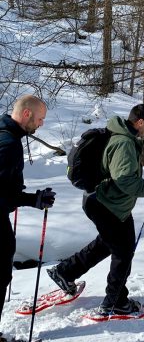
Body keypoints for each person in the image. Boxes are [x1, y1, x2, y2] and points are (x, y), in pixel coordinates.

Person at [47, 104, 144, 316]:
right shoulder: (124, 143)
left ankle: (65, 272)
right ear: (139, 122)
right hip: (105, 204)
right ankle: (116, 302)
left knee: (108, 243)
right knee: (123, 252)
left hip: (110, 204)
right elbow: (124, 180)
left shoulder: (121, 136)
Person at [0, 95, 56, 327]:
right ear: (26, 114)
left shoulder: (6, 135)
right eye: (40, 119)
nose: (41, 124)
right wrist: (32, 200)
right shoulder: (9, 143)